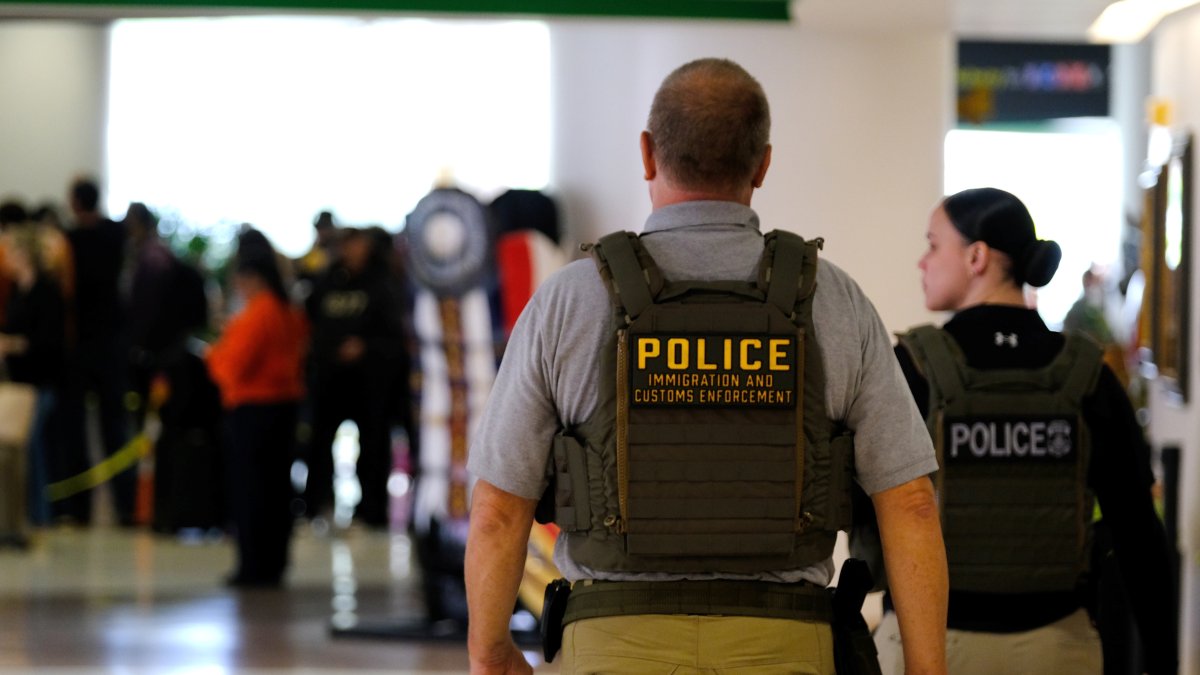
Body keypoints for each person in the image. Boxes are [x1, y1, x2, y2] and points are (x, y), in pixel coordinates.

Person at [464, 58, 948, 675]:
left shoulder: (568, 301)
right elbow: (911, 503)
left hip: (611, 649)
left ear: (647, 154)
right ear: (763, 164)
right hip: (789, 648)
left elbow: (497, 510)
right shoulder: (836, 300)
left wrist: (490, 652)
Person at [875, 187, 1175, 674]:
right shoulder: (1085, 374)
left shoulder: (912, 367)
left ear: (977, 257)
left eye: (933, 245)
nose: (922, 263)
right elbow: (1139, 533)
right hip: (1057, 647)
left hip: (931, 647)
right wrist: (1163, 661)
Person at [206, 229, 307, 587]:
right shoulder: (287, 311)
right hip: (284, 408)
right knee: (277, 491)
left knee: (251, 492)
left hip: (253, 409)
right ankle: (274, 563)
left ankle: (253, 566)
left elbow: (229, 366)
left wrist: (214, 353)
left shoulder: (257, 314)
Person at [0, 223, 67, 527]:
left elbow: (49, 341)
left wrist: (13, 343)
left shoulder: (47, 291)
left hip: (41, 382)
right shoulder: (19, 290)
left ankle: (38, 515)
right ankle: (24, 513)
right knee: (23, 448)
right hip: (21, 382)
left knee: (31, 449)